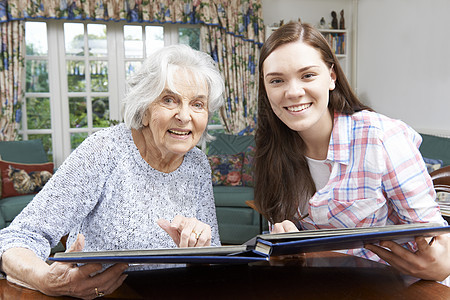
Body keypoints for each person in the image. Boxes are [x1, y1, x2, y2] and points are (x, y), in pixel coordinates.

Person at [0, 44, 225, 298]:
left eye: (197, 104)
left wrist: (200, 247)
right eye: (169, 100)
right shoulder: (105, 150)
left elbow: (213, 257)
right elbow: (16, 238)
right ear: (145, 109)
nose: (184, 116)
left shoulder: (198, 164)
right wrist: (45, 279)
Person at [254, 21, 450, 283]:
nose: (293, 92)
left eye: (308, 75)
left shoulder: (381, 137)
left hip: (395, 286)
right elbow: (288, 241)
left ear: (332, 77)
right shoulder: (272, 151)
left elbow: (438, 245)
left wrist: (441, 263)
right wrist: (284, 239)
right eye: (277, 80)